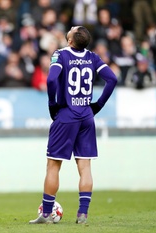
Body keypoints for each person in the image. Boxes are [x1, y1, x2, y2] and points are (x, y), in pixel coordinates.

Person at [29, 26, 117, 225]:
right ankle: (82, 214)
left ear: (70, 41)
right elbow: (112, 79)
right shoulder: (93, 57)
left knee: (53, 165)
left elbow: (51, 79)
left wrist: (52, 104)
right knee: (85, 166)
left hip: (66, 115)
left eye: (71, 30)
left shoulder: (60, 55)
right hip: (86, 114)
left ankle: (46, 215)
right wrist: (98, 105)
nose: (69, 29)